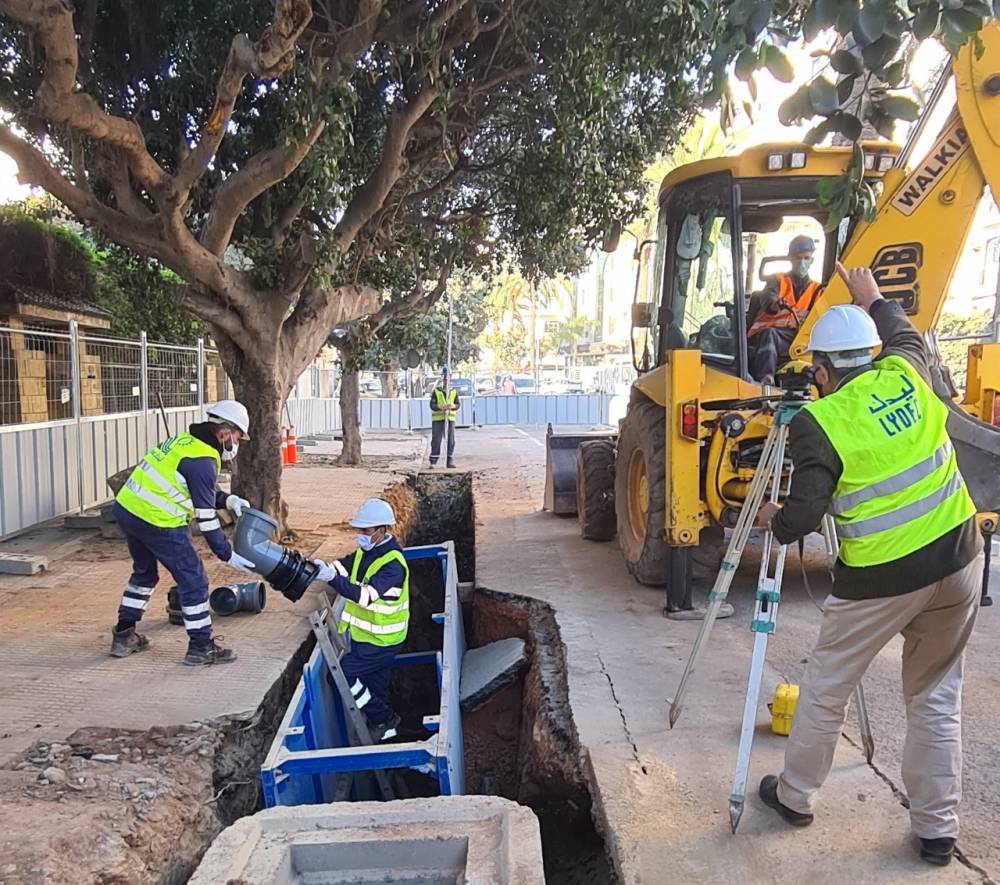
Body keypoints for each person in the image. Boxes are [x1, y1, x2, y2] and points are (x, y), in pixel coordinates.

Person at [755, 262, 980, 867]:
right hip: (960, 558)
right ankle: (937, 830)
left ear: (822, 372)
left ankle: (796, 796)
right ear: (871, 354)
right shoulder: (908, 369)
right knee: (935, 694)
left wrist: (771, 516)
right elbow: (905, 334)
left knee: (827, 685)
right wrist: (874, 296)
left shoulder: (820, 422)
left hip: (882, 577)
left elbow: (804, 515)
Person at [110, 400, 256, 666]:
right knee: (195, 582)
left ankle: (123, 635)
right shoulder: (203, 460)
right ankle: (201, 647)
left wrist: (228, 500)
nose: (236, 444)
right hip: (158, 522)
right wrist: (227, 555)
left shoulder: (184, 442)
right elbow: (206, 519)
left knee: (144, 574)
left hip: (128, 509)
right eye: (236, 437)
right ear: (224, 433)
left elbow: (195, 488)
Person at [312, 498, 409, 742]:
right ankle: (389, 738)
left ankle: (382, 718)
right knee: (376, 687)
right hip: (366, 637)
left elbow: (364, 597)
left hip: (383, 640)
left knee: (342, 676)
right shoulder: (366, 553)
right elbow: (344, 567)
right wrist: (322, 568)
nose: (360, 535)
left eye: (365, 531)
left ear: (382, 531)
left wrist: (331, 578)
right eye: (359, 530)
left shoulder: (393, 565)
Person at [747, 235, 823, 384]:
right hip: (769, 334)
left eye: (806, 258)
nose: (802, 262)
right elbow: (768, 300)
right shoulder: (777, 280)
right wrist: (776, 303)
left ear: (812, 260)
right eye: (798, 258)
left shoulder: (817, 289)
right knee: (770, 334)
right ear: (790, 259)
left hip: (798, 338)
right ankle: (766, 379)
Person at [429, 365, 458, 468]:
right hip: (438, 419)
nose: (446, 378)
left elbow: (457, 404)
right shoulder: (437, 391)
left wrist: (453, 406)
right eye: (445, 376)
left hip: (450, 418)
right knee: (436, 439)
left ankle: (449, 460)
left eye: (448, 376)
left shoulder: (453, 390)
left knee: (450, 440)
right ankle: (433, 461)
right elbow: (432, 405)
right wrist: (440, 407)